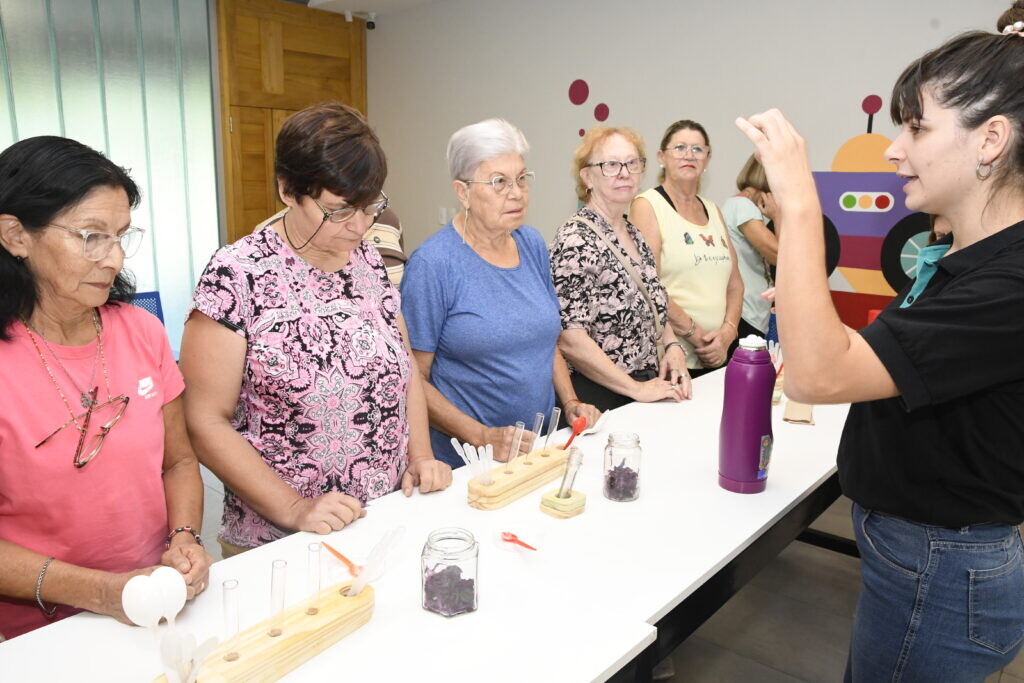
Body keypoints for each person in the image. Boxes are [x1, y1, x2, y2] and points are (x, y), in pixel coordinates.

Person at [736, 4, 1024, 679]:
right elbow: (887, 358)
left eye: (917, 127)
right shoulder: (964, 258)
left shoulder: (1008, 280)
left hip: (940, 570)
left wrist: (798, 200)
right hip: (923, 557)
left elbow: (819, 376)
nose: (895, 148)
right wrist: (809, 315)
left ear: (990, 140)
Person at [180, 102, 451, 558]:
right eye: (339, 211)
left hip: (380, 519)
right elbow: (204, 419)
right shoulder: (237, 275)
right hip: (282, 540)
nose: (360, 226)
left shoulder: (368, 262)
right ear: (288, 190)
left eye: (369, 207)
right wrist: (294, 508)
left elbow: (404, 369)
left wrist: (421, 456)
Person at [0, 136, 210, 639]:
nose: (114, 259)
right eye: (91, 236)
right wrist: (101, 591)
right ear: (16, 235)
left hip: (157, 599)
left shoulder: (142, 331)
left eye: (120, 236)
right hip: (44, 632)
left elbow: (179, 462)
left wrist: (184, 537)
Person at [401, 119, 600, 468]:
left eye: (522, 178)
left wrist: (570, 402)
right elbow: (413, 379)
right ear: (462, 192)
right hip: (467, 463)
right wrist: (482, 436)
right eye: (499, 182)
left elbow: (545, 342)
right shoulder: (433, 264)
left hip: (537, 452)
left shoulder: (531, 244)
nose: (517, 193)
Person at [549, 126, 691, 413]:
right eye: (611, 164)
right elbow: (570, 339)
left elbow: (653, 302)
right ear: (587, 176)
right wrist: (635, 388)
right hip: (601, 398)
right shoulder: (576, 240)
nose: (624, 173)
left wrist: (673, 346)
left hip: (643, 389)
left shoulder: (633, 233)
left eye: (632, 163)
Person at [631, 120, 744, 377]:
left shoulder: (713, 210)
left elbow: (735, 284)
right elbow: (648, 286)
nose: (689, 155)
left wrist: (728, 333)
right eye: (680, 147)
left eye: (697, 149)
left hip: (717, 353)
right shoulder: (647, 205)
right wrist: (697, 335)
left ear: (707, 158)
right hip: (670, 358)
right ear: (662, 157)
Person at [721, 155, 779, 335]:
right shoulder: (743, 206)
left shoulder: (738, 204)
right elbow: (779, 256)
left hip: (749, 312)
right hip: (746, 313)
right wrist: (777, 216)